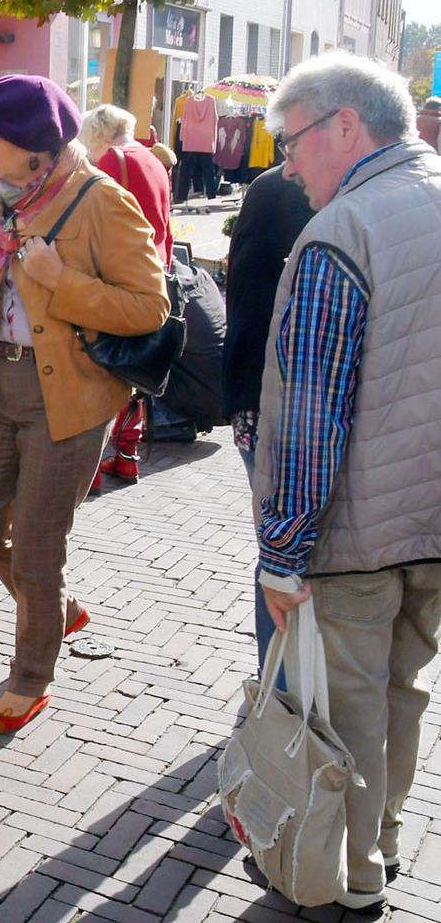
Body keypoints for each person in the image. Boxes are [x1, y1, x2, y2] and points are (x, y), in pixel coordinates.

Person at [253, 53, 441, 912]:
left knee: (350, 708)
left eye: (291, 142)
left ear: (344, 127)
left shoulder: (342, 233)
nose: (286, 166)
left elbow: (311, 414)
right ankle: (388, 836)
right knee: (404, 690)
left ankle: (353, 871)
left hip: (358, 531)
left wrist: (283, 553)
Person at [0, 76, 169, 734]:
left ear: (34, 149)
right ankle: (56, 604)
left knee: (39, 548)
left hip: (70, 397)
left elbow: (150, 306)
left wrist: (61, 280)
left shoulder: (101, 202)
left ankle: (30, 675)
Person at [220, 164, 314, 671]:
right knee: (282, 551)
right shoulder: (278, 188)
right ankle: (275, 689)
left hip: (295, 406)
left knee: (292, 552)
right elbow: (249, 304)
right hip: (271, 406)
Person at [79, 104, 175, 492]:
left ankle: (99, 462)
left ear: (99, 134)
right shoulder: (152, 159)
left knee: (107, 367)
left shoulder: (115, 161)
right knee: (134, 370)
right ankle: (127, 455)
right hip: (156, 274)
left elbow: (99, 218)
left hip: (122, 275)